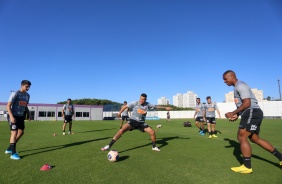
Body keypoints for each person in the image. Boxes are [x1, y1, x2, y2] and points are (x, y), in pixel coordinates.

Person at [223, 70, 282, 174]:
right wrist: (237, 114)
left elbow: (247, 103)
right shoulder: (237, 87)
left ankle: (247, 166)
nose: (224, 81)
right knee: (255, 138)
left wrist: (232, 112)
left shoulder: (240, 86)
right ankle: (280, 157)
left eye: (225, 79)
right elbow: (244, 105)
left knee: (241, 136)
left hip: (251, 112)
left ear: (232, 76)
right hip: (251, 113)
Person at [101, 93, 172, 152]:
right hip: (133, 121)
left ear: (146, 99)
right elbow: (125, 106)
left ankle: (153, 147)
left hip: (141, 123)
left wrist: (165, 108)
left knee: (152, 132)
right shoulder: (135, 103)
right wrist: (119, 113)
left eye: (144, 99)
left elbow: (156, 106)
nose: (142, 100)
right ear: (139, 98)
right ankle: (109, 146)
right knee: (121, 131)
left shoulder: (147, 104)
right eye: (141, 99)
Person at [5, 80, 31, 160]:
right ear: (22, 85)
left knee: (21, 132)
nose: (28, 88)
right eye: (26, 86)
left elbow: (25, 107)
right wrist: (12, 117)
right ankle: (13, 153)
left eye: (29, 87)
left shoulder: (27, 96)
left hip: (21, 116)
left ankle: (9, 149)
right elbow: (8, 106)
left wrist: (29, 114)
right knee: (14, 133)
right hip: (13, 116)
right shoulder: (15, 94)